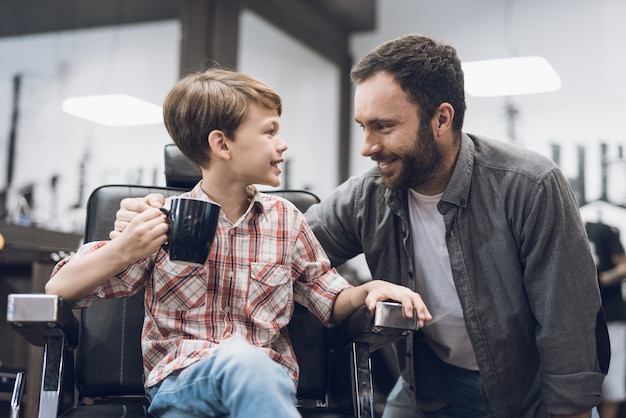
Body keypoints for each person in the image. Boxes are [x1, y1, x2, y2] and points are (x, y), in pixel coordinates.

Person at [112, 35, 610, 418]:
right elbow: (278, 248)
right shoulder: (366, 195)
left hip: (525, 391)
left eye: (384, 127)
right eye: (363, 127)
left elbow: (567, 322)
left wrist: (568, 408)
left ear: (441, 119)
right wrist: (149, 220)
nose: (368, 146)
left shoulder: (529, 185)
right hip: (429, 385)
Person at [45, 68, 432, 418]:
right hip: (183, 382)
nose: (282, 145)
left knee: (251, 366)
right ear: (222, 145)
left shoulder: (286, 222)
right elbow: (59, 288)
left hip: (265, 385)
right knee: (243, 363)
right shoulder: (160, 219)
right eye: (269, 131)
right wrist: (125, 249)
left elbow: (330, 301)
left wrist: (370, 288)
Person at [585, 221, 626, 418]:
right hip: (580, 321)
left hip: (610, 316)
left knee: (611, 383)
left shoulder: (601, 230)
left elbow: (624, 266)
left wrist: (600, 280)